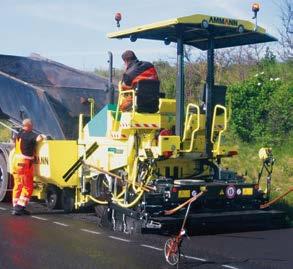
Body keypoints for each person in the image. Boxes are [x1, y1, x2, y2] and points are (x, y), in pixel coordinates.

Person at [11, 118, 46, 216]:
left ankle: (16, 206)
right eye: (32, 125)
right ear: (29, 126)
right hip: (24, 164)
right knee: (28, 186)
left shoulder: (19, 134)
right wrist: (43, 136)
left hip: (15, 162)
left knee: (18, 185)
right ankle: (19, 207)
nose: (33, 127)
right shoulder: (29, 135)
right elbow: (38, 138)